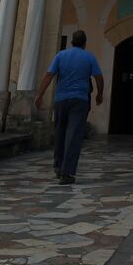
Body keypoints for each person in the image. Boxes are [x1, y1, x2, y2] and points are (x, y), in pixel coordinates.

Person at [34, 29, 104, 184]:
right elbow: (99, 77)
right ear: (85, 43)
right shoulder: (89, 57)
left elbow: (49, 75)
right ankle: (67, 172)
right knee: (73, 136)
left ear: (72, 41)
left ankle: (58, 166)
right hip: (79, 100)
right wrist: (100, 94)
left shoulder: (61, 55)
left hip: (61, 100)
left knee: (60, 132)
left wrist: (39, 94)